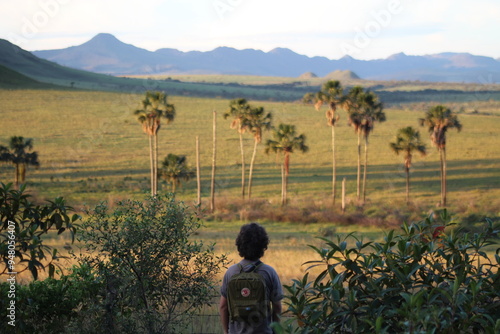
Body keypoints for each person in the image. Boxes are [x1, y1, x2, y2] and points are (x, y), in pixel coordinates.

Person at [219, 222, 283, 334]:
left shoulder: (231, 272)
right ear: (263, 246)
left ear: (240, 245)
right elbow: (277, 306)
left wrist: (226, 331)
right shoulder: (269, 272)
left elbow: (223, 307)